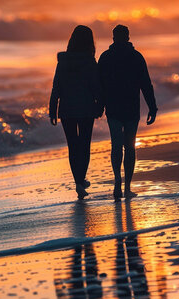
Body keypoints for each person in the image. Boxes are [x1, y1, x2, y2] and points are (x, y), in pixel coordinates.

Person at [98, 24, 158, 200]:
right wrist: (152, 107)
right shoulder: (136, 57)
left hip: (113, 107)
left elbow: (99, 85)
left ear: (113, 38)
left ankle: (117, 180)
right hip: (131, 107)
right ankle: (127, 187)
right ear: (128, 37)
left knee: (116, 145)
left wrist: (99, 106)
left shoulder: (106, 57)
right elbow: (146, 84)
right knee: (129, 147)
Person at [49, 25, 103, 199]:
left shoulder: (63, 61)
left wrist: (52, 110)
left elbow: (56, 87)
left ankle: (79, 182)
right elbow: (96, 87)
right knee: (84, 144)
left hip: (67, 109)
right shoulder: (89, 61)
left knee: (73, 146)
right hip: (86, 108)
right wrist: (100, 105)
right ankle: (80, 181)